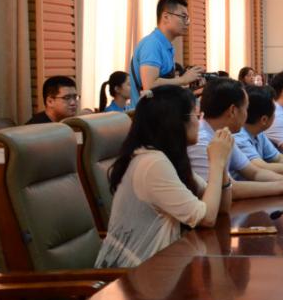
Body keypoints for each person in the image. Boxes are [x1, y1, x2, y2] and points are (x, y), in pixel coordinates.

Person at [96, 86, 232, 268]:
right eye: (196, 115)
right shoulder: (152, 163)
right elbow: (207, 218)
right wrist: (216, 162)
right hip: (134, 275)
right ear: (175, 122)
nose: (199, 122)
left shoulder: (168, 157)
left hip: (162, 266)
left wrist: (221, 165)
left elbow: (221, 208)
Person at [188, 78, 283, 200]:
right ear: (233, 111)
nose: (247, 115)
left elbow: (254, 172)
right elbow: (228, 190)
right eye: (246, 108)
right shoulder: (201, 141)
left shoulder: (223, 134)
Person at [129, 0, 204, 103]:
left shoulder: (165, 46)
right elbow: (150, 85)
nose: (187, 23)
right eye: (183, 17)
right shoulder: (152, 44)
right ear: (166, 17)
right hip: (145, 113)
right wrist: (183, 79)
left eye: (187, 18)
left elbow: (164, 87)